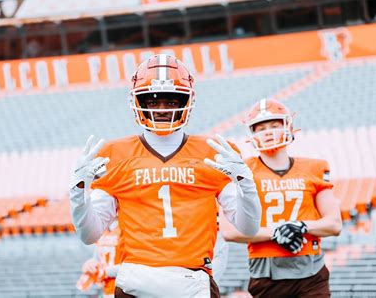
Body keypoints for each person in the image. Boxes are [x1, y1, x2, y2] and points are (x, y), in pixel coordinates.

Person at [69, 54, 261, 297]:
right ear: (138, 102)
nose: (161, 109)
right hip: (137, 281)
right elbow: (89, 235)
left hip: (192, 278)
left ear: (187, 101)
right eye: (153, 101)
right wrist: (78, 192)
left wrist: (246, 183)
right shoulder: (114, 154)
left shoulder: (213, 151)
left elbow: (249, 227)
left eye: (171, 101)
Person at [221, 98, 342, 298]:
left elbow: (334, 224)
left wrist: (301, 226)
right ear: (252, 134)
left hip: (311, 269)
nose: (268, 132)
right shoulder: (243, 170)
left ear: (288, 127)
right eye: (260, 128)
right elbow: (229, 231)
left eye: (274, 125)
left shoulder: (314, 168)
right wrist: (277, 232)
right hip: (266, 270)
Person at [76, 221, 122, 297]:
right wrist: (90, 264)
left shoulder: (128, 228)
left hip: (124, 291)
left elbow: (134, 265)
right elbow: (96, 258)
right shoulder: (102, 229)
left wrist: (105, 271)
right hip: (106, 291)